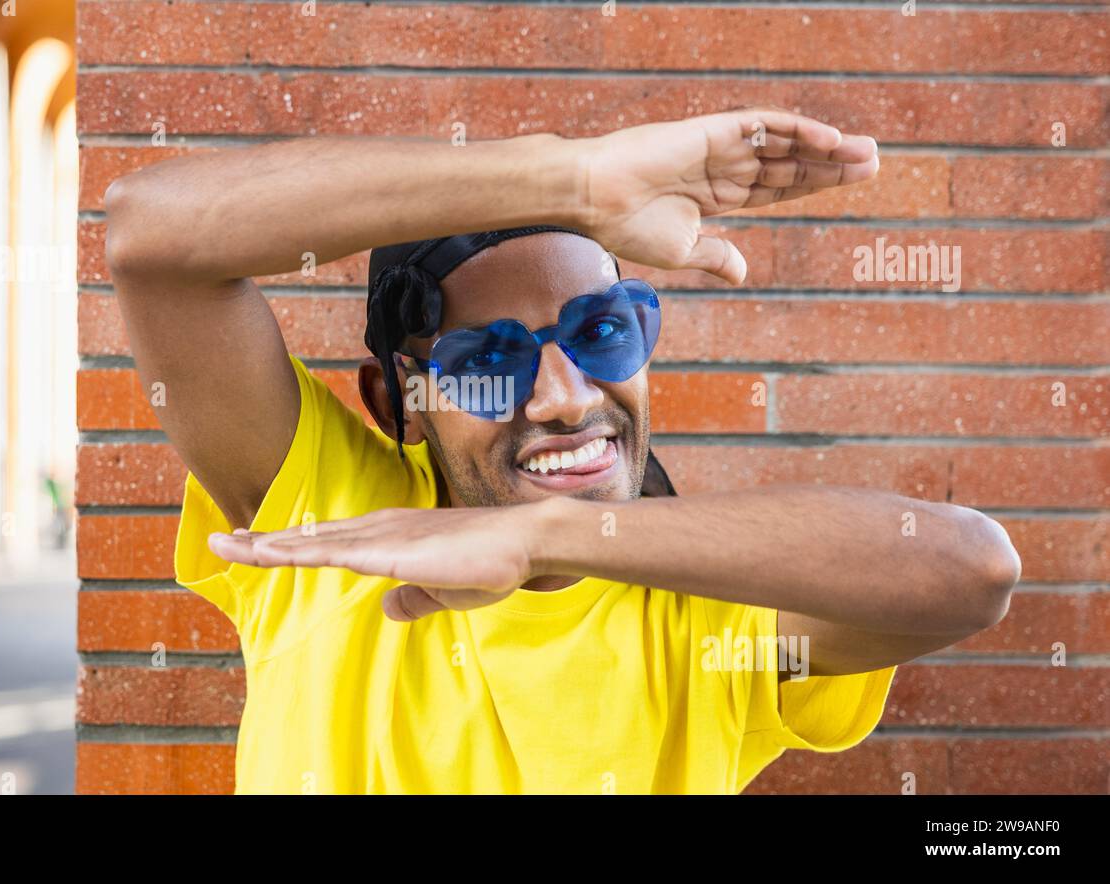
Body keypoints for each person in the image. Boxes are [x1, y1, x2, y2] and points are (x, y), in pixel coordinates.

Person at [103, 108, 1022, 794]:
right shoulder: (332, 524)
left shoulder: (707, 612)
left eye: (602, 332)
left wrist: (551, 540)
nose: (566, 396)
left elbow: (974, 570)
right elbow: (150, 231)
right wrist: (575, 181)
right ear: (397, 402)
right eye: (489, 360)